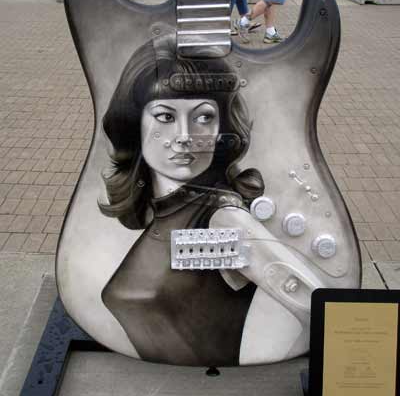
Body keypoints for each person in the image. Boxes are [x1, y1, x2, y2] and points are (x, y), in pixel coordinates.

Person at [98, 36, 326, 366]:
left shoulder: (224, 218)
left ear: (222, 128)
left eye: (204, 116)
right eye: (165, 116)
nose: (185, 136)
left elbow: (320, 308)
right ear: (135, 122)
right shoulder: (160, 210)